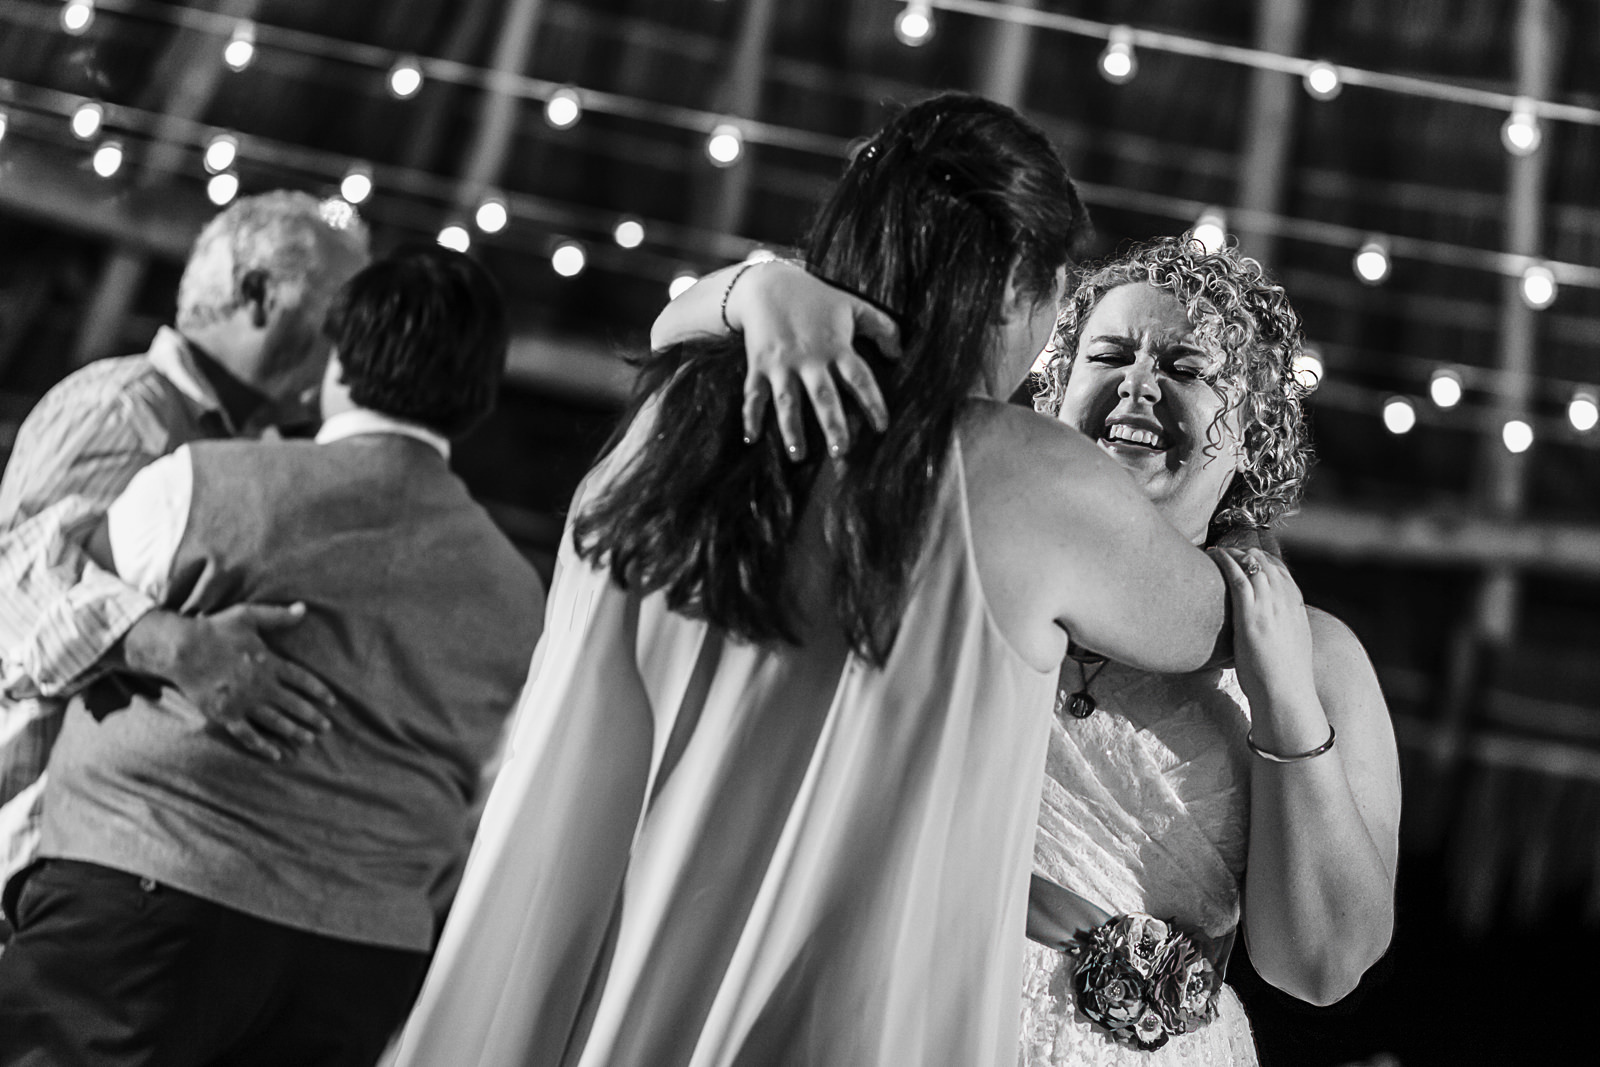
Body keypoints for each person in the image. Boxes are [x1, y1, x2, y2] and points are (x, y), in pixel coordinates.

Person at [391, 93, 1231, 1067]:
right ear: (1010, 285)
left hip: (608, 1001)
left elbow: (671, 329)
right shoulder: (1029, 472)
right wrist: (1220, 457)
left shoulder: (669, 425)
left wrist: (746, 288)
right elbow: (1200, 620)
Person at [661, 235, 1401, 1062]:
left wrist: (1286, 697)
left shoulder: (1317, 651)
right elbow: (681, 349)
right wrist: (761, 290)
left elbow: (1323, 965)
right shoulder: (968, 536)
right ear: (1056, 390)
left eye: (1186, 368)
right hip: (892, 1007)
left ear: (1253, 435)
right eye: (1109, 354)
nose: (1139, 384)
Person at [0, 245, 546, 1067]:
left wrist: (166, 642)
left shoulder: (202, 483)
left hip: (147, 900)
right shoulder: (517, 593)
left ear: (340, 363)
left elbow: (25, 589)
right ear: (477, 399)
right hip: (362, 951)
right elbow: (489, 787)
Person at [0, 191, 370, 920]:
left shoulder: (252, 453)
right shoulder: (128, 406)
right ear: (258, 295)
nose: (357, 346)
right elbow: (12, 583)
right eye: (344, 314)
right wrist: (177, 646)